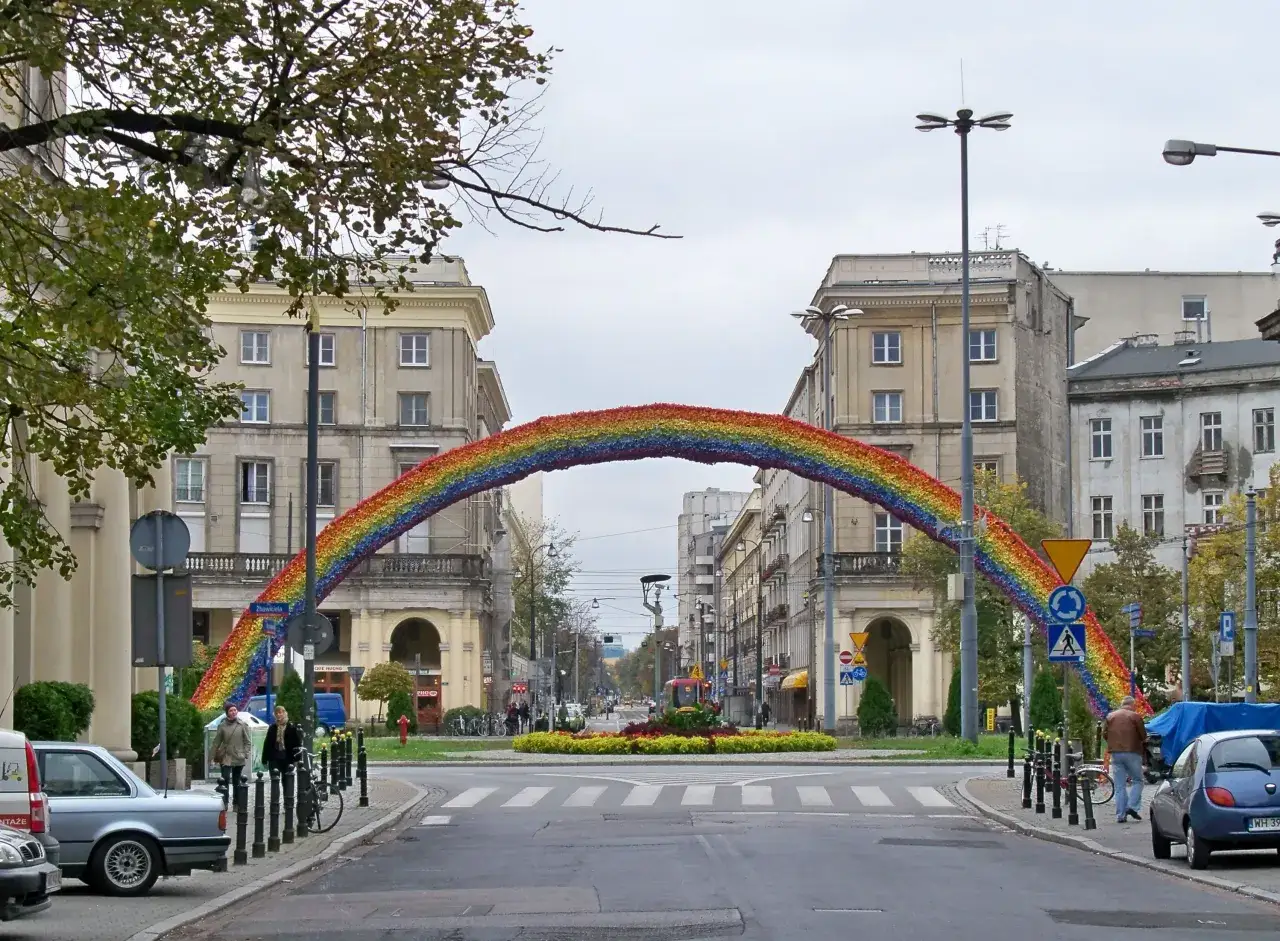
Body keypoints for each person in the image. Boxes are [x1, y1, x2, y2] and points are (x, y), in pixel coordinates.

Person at [1104, 695, 1148, 824]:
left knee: (1119, 785)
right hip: (1132, 752)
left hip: (1116, 753)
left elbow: (1105, 734)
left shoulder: (1110, 716)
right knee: (1138, 780)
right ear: (1132, 705)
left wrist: (1114, 743)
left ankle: (1120, 815)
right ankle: (1132, 806)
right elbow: (1143, 735)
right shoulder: (1135, 716)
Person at [212, 701, 254, 798]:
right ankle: (225, 801)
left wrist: (245, 753)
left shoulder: (242, 724)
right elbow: (216, 742)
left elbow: (247, 741)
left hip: (239, 755)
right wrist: (212, 756)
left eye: (235, 710)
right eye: (231, 710)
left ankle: (237, 802)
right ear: (227, 713)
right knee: (225, 779)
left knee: (237, 780)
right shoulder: (222, 725)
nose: (233, 712)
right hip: (226, 756)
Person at [261, 705, 302, 778]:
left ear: (284, 713)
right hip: (274, 757)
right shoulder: (272, 728)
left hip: (287, 757)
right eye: (276, 713)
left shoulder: (291, 727)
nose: (278, 715)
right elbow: (267, 744)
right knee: (274, 780)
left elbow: (297, 744)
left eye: (280, 713)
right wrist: (264, 759)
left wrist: (297, 759)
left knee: (287, 781)